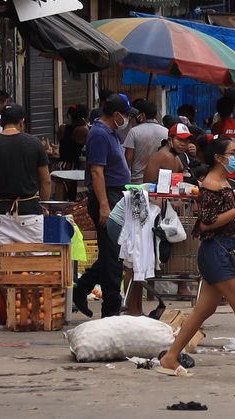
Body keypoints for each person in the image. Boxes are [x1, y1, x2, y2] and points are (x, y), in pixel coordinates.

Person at [157, 137, 235, 381]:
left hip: (224, 249)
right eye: (232, 152)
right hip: (217, 252)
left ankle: (170, 357)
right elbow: (206, 223)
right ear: (218, 158)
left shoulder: (224, 182)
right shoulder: (211, 184)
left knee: (203, 310)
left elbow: (228, 218)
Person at [0, 104, 50, 308]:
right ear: (22, 122)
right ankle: (34, 309)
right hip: (30, 212)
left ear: (0, 122)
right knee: (37, 263)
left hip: (1, 214)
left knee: (3, 265)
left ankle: (11, 311)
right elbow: (46, 181)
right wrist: (44, 204)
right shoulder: (34, 144)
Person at [74, 95, 132, 319]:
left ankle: (82, 288)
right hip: (107, 197)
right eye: (125, 115)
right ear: (116, 115)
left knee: (112, 253)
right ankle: (111, 309)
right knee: (112, 256)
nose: (126, 119)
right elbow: (97, 172)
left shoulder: (110, 133)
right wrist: (105, 206)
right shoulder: (99, 134)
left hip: (116, 196)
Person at [123, 99, 167, 185]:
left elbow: (128, 158)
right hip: (159, 181)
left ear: (142, 115)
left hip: (137, 181)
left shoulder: (134, 131)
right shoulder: (166, 132)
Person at [211, 96, 235, 180]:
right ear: (232, 110)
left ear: (218, 110)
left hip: (222, 172)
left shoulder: (217, 126)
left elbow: (213, 148)